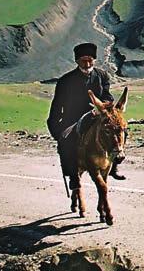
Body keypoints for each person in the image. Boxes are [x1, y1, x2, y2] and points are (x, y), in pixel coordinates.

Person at [47, 43, 126, 188]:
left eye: (90, 60)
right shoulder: (65, 81)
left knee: (119, 130)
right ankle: (73, 176)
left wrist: (102, 106)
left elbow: (108, 96)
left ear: (94, 60)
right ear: (77, 61)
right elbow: (57, 107)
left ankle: (114, 166)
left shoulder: (102, 76)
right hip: (73, 119)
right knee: (66, 142)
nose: (87, 63)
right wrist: (57, 131)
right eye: (83, 60)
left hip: (98, 115)